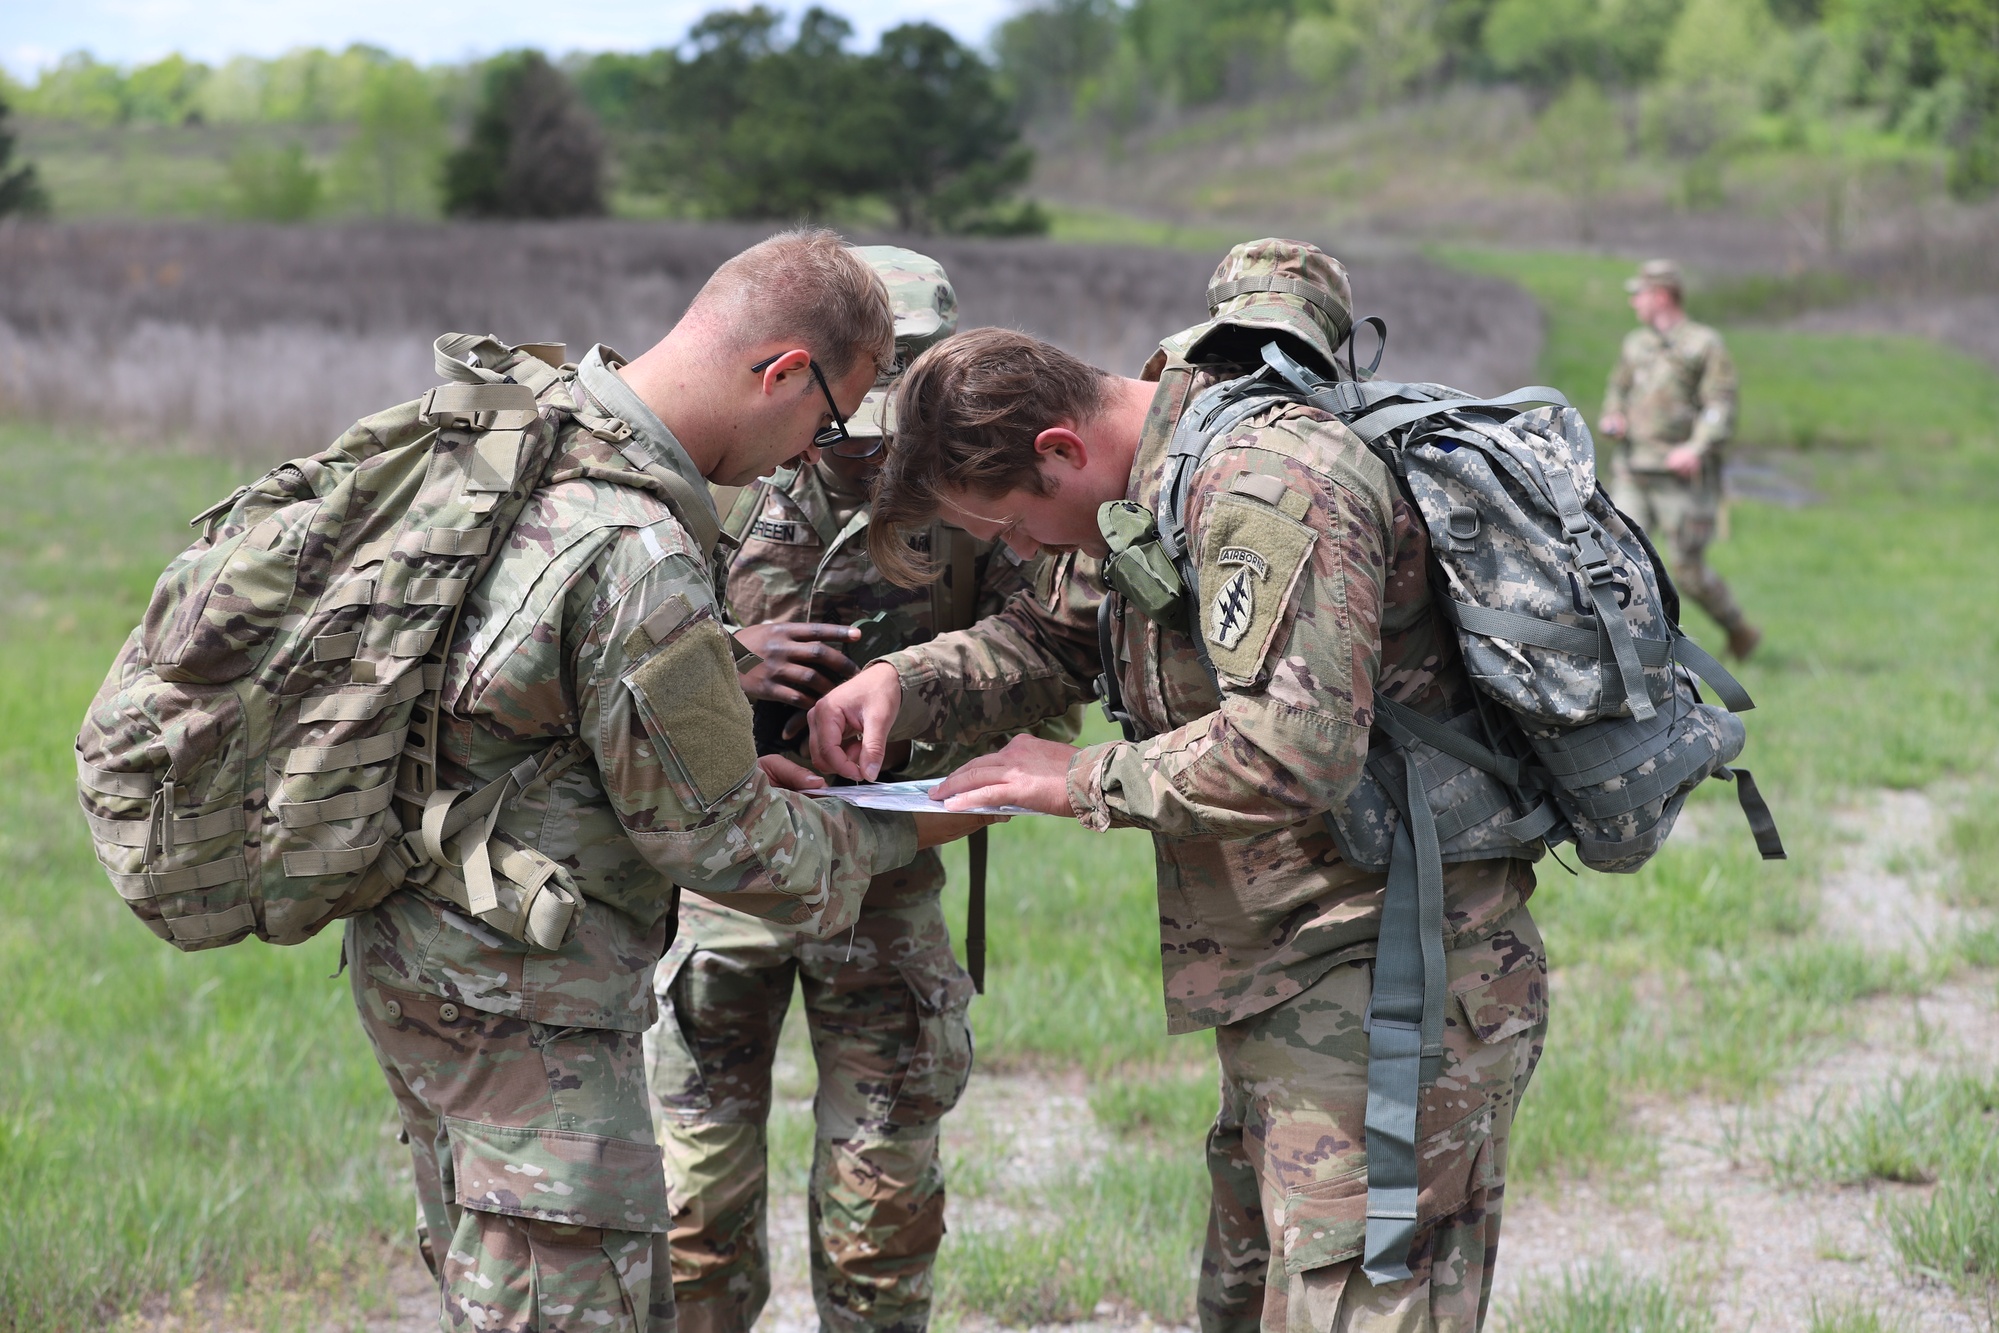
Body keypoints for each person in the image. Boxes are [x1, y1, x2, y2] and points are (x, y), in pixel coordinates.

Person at [806, 240, 1547, 1332]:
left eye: (1011, 525)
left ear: (1059, 446)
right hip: (1288, 970)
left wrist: (1081, 778)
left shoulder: (1265, 482)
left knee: (1364, 1304)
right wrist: (898, 685)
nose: (1020, 549)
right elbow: (1051, 639)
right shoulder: (1149, 482)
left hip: (1390, 976)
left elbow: (1297, 745)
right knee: (1246, 1302)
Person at [346, 227, 990, 1333]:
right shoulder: (641, 541)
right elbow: (721, 841)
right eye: (828, 423)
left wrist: (720, 691)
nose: (812, 456)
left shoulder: (531, 435)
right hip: (526, 1004)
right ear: (782, 372)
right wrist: (910, 830)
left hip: (426, 961)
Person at [647, 247, 1084, 1333]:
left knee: (879, 1210)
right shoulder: (712, 461)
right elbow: (619, 650)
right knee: (689, 1208)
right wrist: (732, 658)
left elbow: (1049, 659)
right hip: (720, 885)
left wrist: (924, 701)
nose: (869, 437)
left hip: (885, 875)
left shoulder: (973, 494)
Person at [1599, 258, 1762, 660]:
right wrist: (1613, 415)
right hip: (1633, 469)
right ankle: (1641, 650)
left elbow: (1720, 406)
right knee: (1615, 556)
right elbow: (1617, 390)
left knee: (1687, 573)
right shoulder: (1635, 344)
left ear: (1661, 295)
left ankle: (1738, 630)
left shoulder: (1704, 345)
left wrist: (1697, 447)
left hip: (1682, 478)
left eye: (1640, 293)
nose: (1634, 301)